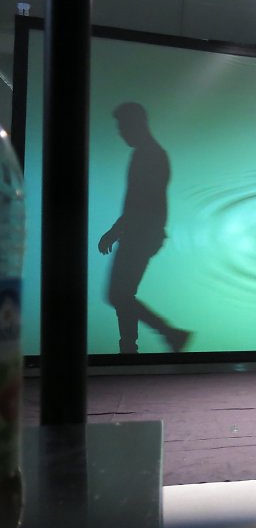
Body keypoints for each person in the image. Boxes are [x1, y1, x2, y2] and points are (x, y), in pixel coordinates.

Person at [98, 102, 191, 353]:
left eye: (123, 127)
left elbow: (141, 202)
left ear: (136, 125)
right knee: (123, 294)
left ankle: (166, 335)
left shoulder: (148, 156)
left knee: (118, 295)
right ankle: (132, 349)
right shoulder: (151, 154)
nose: (121, 133)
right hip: (142, 234)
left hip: (140, 235)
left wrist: (115, 232)